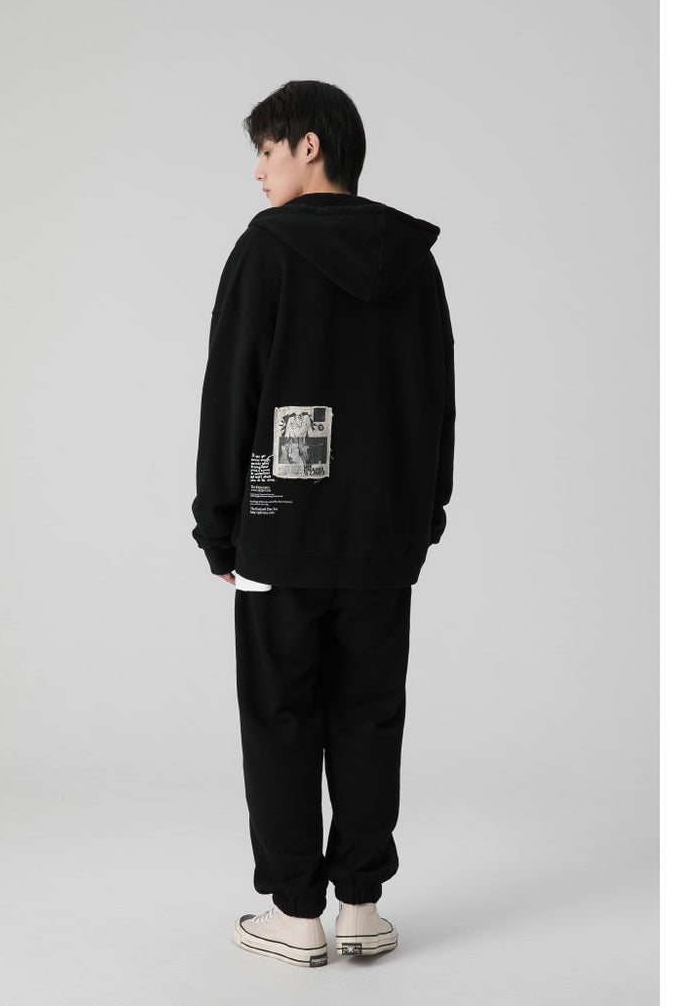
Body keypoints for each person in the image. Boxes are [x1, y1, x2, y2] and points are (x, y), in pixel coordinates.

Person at [191, 79, 456, 968]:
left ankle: (297, 915)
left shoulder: (266, 248)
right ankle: (362, 909)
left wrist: (218, 523)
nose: (258, 173)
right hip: (382, 535)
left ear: (310, 146)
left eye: (266, 152)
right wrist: (425, 514)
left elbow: (232, 391)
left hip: (280, 529)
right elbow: (437, 396)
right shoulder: (413, 261)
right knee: (370, 715)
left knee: (281, 716)